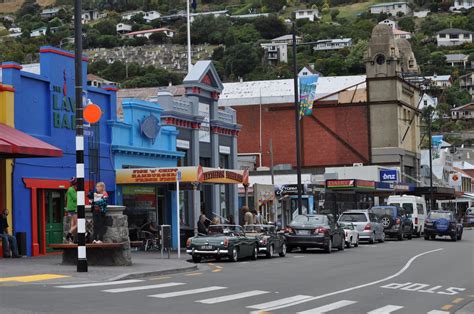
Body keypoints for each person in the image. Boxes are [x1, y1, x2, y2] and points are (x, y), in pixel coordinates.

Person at [65, 177, 78, 243]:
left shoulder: (70, 189)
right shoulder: (71, 189)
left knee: (73, 224)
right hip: (73, 208)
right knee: (77, 224)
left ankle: (71, 238)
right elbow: (75, 198)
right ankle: (69, 234)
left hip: (71, 208)